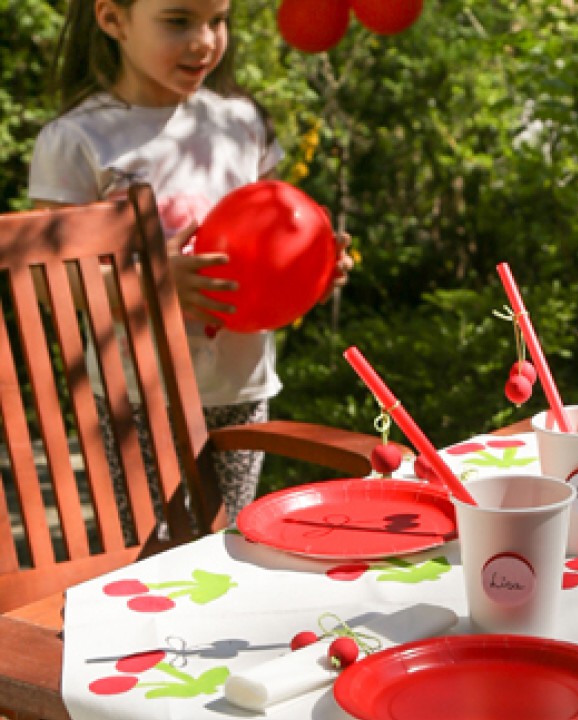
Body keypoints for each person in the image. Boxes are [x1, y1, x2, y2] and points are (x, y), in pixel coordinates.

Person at [27, 0, 352, 529]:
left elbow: (271, 239)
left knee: (226, 542)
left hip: (240, 385)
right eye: (178, 21)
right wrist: (153, 284)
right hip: (137, 395)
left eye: (217, 20)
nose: (205, 40)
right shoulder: (76, 139)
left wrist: (313, 266)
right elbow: (48, 282)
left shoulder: (241, 123)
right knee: (150, 551)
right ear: (112, 20)